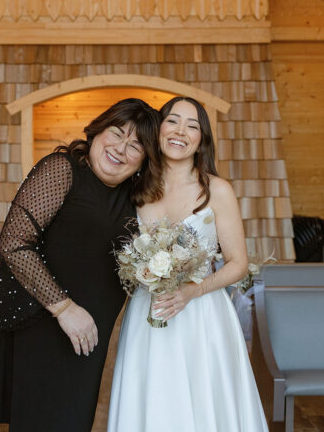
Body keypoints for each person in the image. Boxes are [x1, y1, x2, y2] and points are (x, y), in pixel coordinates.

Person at [0, 98, 162, 432]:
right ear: (98, 131)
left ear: (144, 160)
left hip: (89, 337)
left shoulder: (134, 198)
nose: (121, 149)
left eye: (135, 146)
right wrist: (64, 309)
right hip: (45, 323)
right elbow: (14, 243)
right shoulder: (62, 169)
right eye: (117, 133)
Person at [108, 97, 269, 432]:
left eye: (192, 126)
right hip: (149, 314)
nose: (180, 131)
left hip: (203, 315)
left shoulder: (217, 190)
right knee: (154, 398)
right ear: (158, 130)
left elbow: (238, 263)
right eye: (172, 121)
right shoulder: (135, 189)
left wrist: (192, 292)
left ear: (201, 140)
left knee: (205, 401)